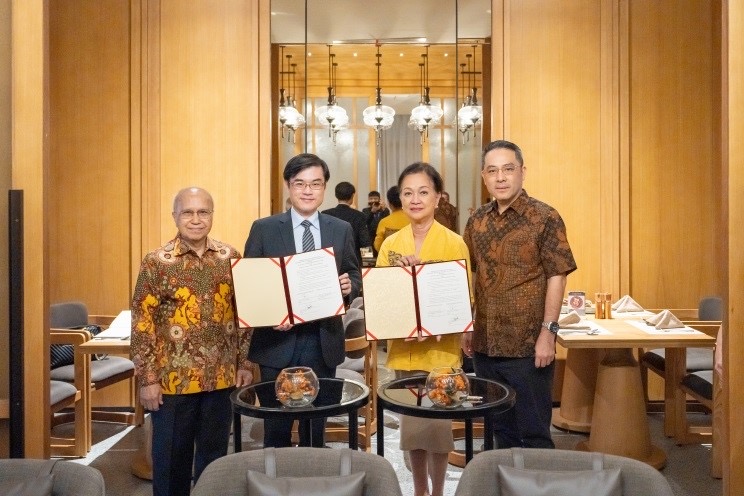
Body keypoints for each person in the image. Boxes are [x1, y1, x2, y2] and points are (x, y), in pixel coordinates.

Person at [130, 187, 253, 496]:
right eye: (188, 212)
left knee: (214, 464)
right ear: (175, 216)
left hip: (221, 379)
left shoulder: (230, 256)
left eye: (203, 212)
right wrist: (147, 380)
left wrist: (245, 361)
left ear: (212, 215)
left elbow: (244, 314)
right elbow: (142, 323)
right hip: (172, 384)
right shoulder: (157, 262)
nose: (196, 219)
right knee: (171, 464)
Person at [462, 140, 577, 449]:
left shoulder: (545, 217)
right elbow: (472, 275)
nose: (500, 178)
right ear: (484, 176)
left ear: (522, 172)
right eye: (492, 171)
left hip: (529, 346)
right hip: (486, 344)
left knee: (534, 432)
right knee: (498, 430)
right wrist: (469, 324)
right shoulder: (476, 221)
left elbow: (557, 276)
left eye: (508, 169)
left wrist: (548, 334)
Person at [244, 153, 361, 448]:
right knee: (276, 429)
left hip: (323, 341)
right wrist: (271, 316)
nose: (308, 191)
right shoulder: (264, 228)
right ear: (288, 186)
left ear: (324, 188)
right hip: (276, 343)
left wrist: (349, 287)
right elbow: (250, 286)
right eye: (300, 184)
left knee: (316, 427)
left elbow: (354, 275)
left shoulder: (340, 229)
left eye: (316, 184)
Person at [376, 162, 471, 496]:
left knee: (439, 431)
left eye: (423, 192)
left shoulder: (454, 243)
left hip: (441, 351)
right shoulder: (390, 245)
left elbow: (463, 300)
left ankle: (438, 491)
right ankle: (419, 491)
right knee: (413, 431)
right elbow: (384, 302)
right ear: (400, 199)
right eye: (407, 193)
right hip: (405, 351)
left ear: (438, 197)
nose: (415, 199)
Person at [323, 181, 372, 265]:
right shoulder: (360, 216)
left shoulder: (325, 214)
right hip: (354, 262)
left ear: (336, 195)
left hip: (331, 262)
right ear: (352, 196)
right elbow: (365, 242)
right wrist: (369, 263)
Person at [373, 185, 410, 253]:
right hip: (412, 260)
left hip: (391, 261)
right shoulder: (414, 220)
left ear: (389, 203)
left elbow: (378, 246)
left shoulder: (384, 222)